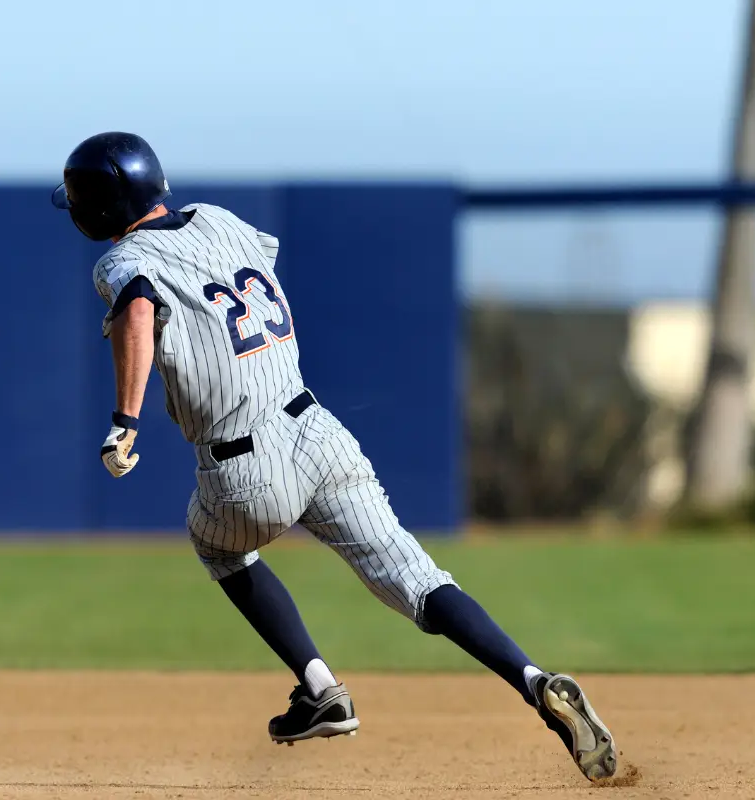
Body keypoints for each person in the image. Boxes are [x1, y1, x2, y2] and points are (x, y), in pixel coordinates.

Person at [52, 131, 618, 782]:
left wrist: (125, 420)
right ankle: (533, 679)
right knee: (419, 579)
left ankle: (319, 686)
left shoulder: (120, 262)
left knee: (218, 545)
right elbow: (250, 271)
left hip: (244, 465)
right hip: (318, 431)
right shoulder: (219, 219)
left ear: (100, 203)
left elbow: (138, 306)